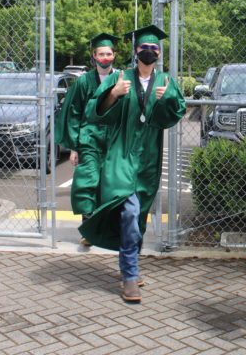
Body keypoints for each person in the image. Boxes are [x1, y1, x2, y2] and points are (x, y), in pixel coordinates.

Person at [81, 25, 186, 303]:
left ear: (159, 53)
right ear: (135, 51)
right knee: (128, 212)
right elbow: (94, 112)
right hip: (121, 155)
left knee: (138, 217)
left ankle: (132, 265)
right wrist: (114, 94)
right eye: (144, 48)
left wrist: (169, 99)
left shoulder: (166, 81)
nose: (149, 52)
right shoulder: (119, 77)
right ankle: (129, 276)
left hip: (149, 159)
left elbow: (172, 117)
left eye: (154, 49)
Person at [54, 33, 120, 246]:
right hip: (89, 138)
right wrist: (74, 147)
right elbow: (74, 113)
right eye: (101, 53)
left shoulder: (121, 79)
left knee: (111, 184)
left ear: (114, 55)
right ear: (94, 55)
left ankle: (109, 228)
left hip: (113, 139)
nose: (105, 57)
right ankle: (88, 231)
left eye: (108, 53)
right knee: (87, 182)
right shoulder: (83, 82)